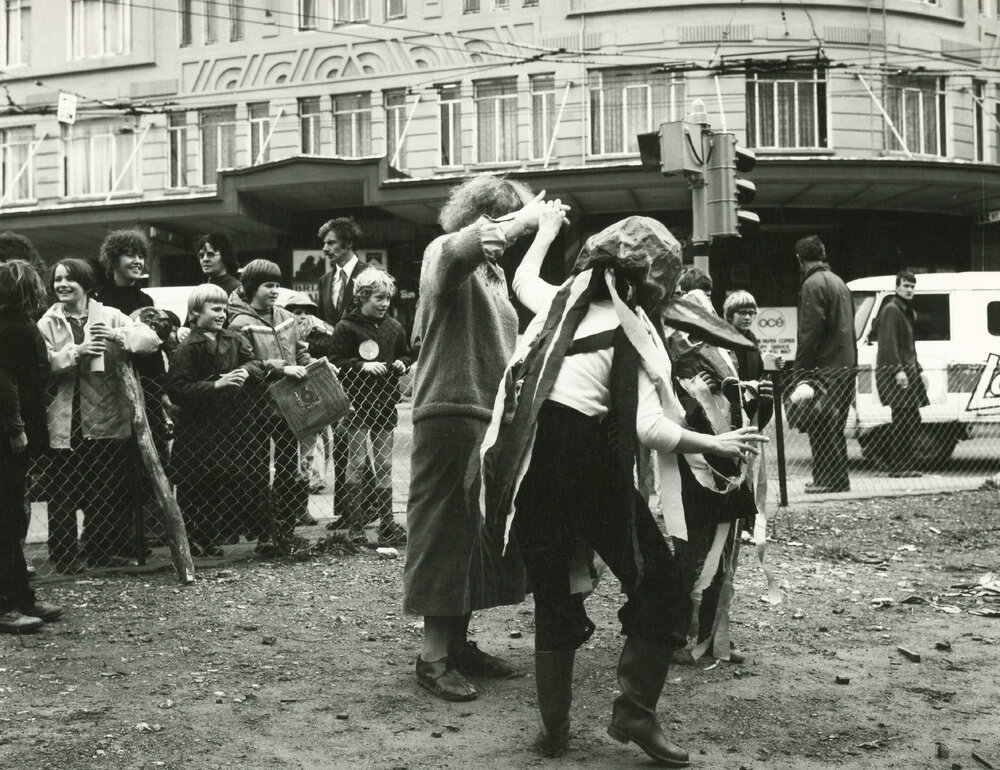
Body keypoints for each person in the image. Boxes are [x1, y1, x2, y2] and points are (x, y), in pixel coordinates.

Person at [483, 214, 768, 764]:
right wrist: (717, 444)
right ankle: (634, 713)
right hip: (589, 468)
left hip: (535, 471)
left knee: (555, 594)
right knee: (659, 584)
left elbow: (522, 281)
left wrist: (544, 226)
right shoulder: (635, 330)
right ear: (653, 281)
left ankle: (555, 731)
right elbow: (649, 430)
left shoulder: (557, 304)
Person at [403, 176, 564, 703]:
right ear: (489, 215)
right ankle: (432, 658)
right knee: (445, 531)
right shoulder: (445, 254)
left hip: (485, 417)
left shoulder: (493, 274)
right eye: (509, 221)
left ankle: (458, 645)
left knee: (473, 536)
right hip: (450, 411)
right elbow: (456, 251)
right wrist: (524, 221)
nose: (515, 235)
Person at [37, 258, 160, 572]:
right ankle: (64, 557)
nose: (62, 285)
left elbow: (150, 341)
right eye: (58, 280)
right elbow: (42, 362)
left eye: (69, 279)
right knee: (63, 490)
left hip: (104, 416)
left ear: (86, 284)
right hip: (64, 420)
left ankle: (99, 553)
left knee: (102, 489)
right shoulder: (47, 322)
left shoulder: (109, 315)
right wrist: (77, 352)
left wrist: (119, 336)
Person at [167, 284, 269, 557]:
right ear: (195, 312)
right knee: (194, 486)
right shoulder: (187, 348)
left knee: (218, 485)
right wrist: (216, 385)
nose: (222, 314)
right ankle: (191, 539)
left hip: (230, 426)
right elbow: (177, 388)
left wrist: (246, 371)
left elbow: (256, 362)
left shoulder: (233, 339)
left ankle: (210, 538)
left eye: (224, 308)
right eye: (215, 309)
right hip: (197, 429)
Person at [228, 259, 315, 555]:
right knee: (257, 471)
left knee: (289, 469)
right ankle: (264, 534)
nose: (275, 290)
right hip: (255, 409)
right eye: (268, 285)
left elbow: (300, 355)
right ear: (252, 287)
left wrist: (314, 366)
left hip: (287, 408)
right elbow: (245, 362)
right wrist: (279, 369)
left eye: (277, 285)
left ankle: (285, 529)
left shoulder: (288, 318)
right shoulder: (240, 323)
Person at [95, 229, 173, 559]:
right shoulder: (98, 299)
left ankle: (133, 537)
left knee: (145, 470)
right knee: (110, 473)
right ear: (114, 259)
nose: (138, 260)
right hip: (109, 394)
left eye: (141, 254)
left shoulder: (146, 302)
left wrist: (162, 392)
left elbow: (154, 354)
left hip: (146, 391)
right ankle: (104, 542)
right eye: (130, 254)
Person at [0, 260, 64, 634]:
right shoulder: (10, 329)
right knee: (6, 521)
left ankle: (21, 598)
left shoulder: (17, 325)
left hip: (15, 434)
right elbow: (3, 382)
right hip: (8, 437)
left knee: (14, 519)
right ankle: (8, 605)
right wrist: (16, 429)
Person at [328, 267, 412, 546]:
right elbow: (336, 361)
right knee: (357, 462)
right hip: (356, 403)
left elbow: (404, 354)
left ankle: (387, 524)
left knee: (385, 463)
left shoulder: (394, 326)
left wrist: (402, 363)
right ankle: (355, 527)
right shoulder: (346, 327)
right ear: (363, 296)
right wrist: (362, 365)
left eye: (388, 298)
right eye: (379, 298)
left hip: (385, 402)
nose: (385, 304)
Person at [793, 235, 857, 494]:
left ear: (799, 259)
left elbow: (810, 332)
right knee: (834, 424)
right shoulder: (839, 282)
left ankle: (828, 480)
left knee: (820, 425)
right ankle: (832, 478)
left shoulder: (812, 284)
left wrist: (801, 373)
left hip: (823, 368)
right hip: (844, 365)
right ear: (822, 254)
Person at [316, 217, 366, 530]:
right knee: (345, 442)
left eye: (331, 243)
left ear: (347, 242)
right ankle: (349, 511)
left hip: (363, 368)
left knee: (362, 442)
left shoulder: (368, 276)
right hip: (337, 369)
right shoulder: (325, 282)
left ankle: (362, 509)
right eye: (325, 243)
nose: (325, 249)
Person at [875, 269, 927, 478]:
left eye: (912, 286)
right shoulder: (892, 310)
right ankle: (898, 465)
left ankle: (901, 463)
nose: (909, 290)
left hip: (907, 371)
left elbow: (905, 345)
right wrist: (898, 371)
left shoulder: (903, 310)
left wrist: (915, 368)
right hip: (899, 374)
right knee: (904, 419)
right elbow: (888, 343)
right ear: (897, 287)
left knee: (910, 418)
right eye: (906, 285)